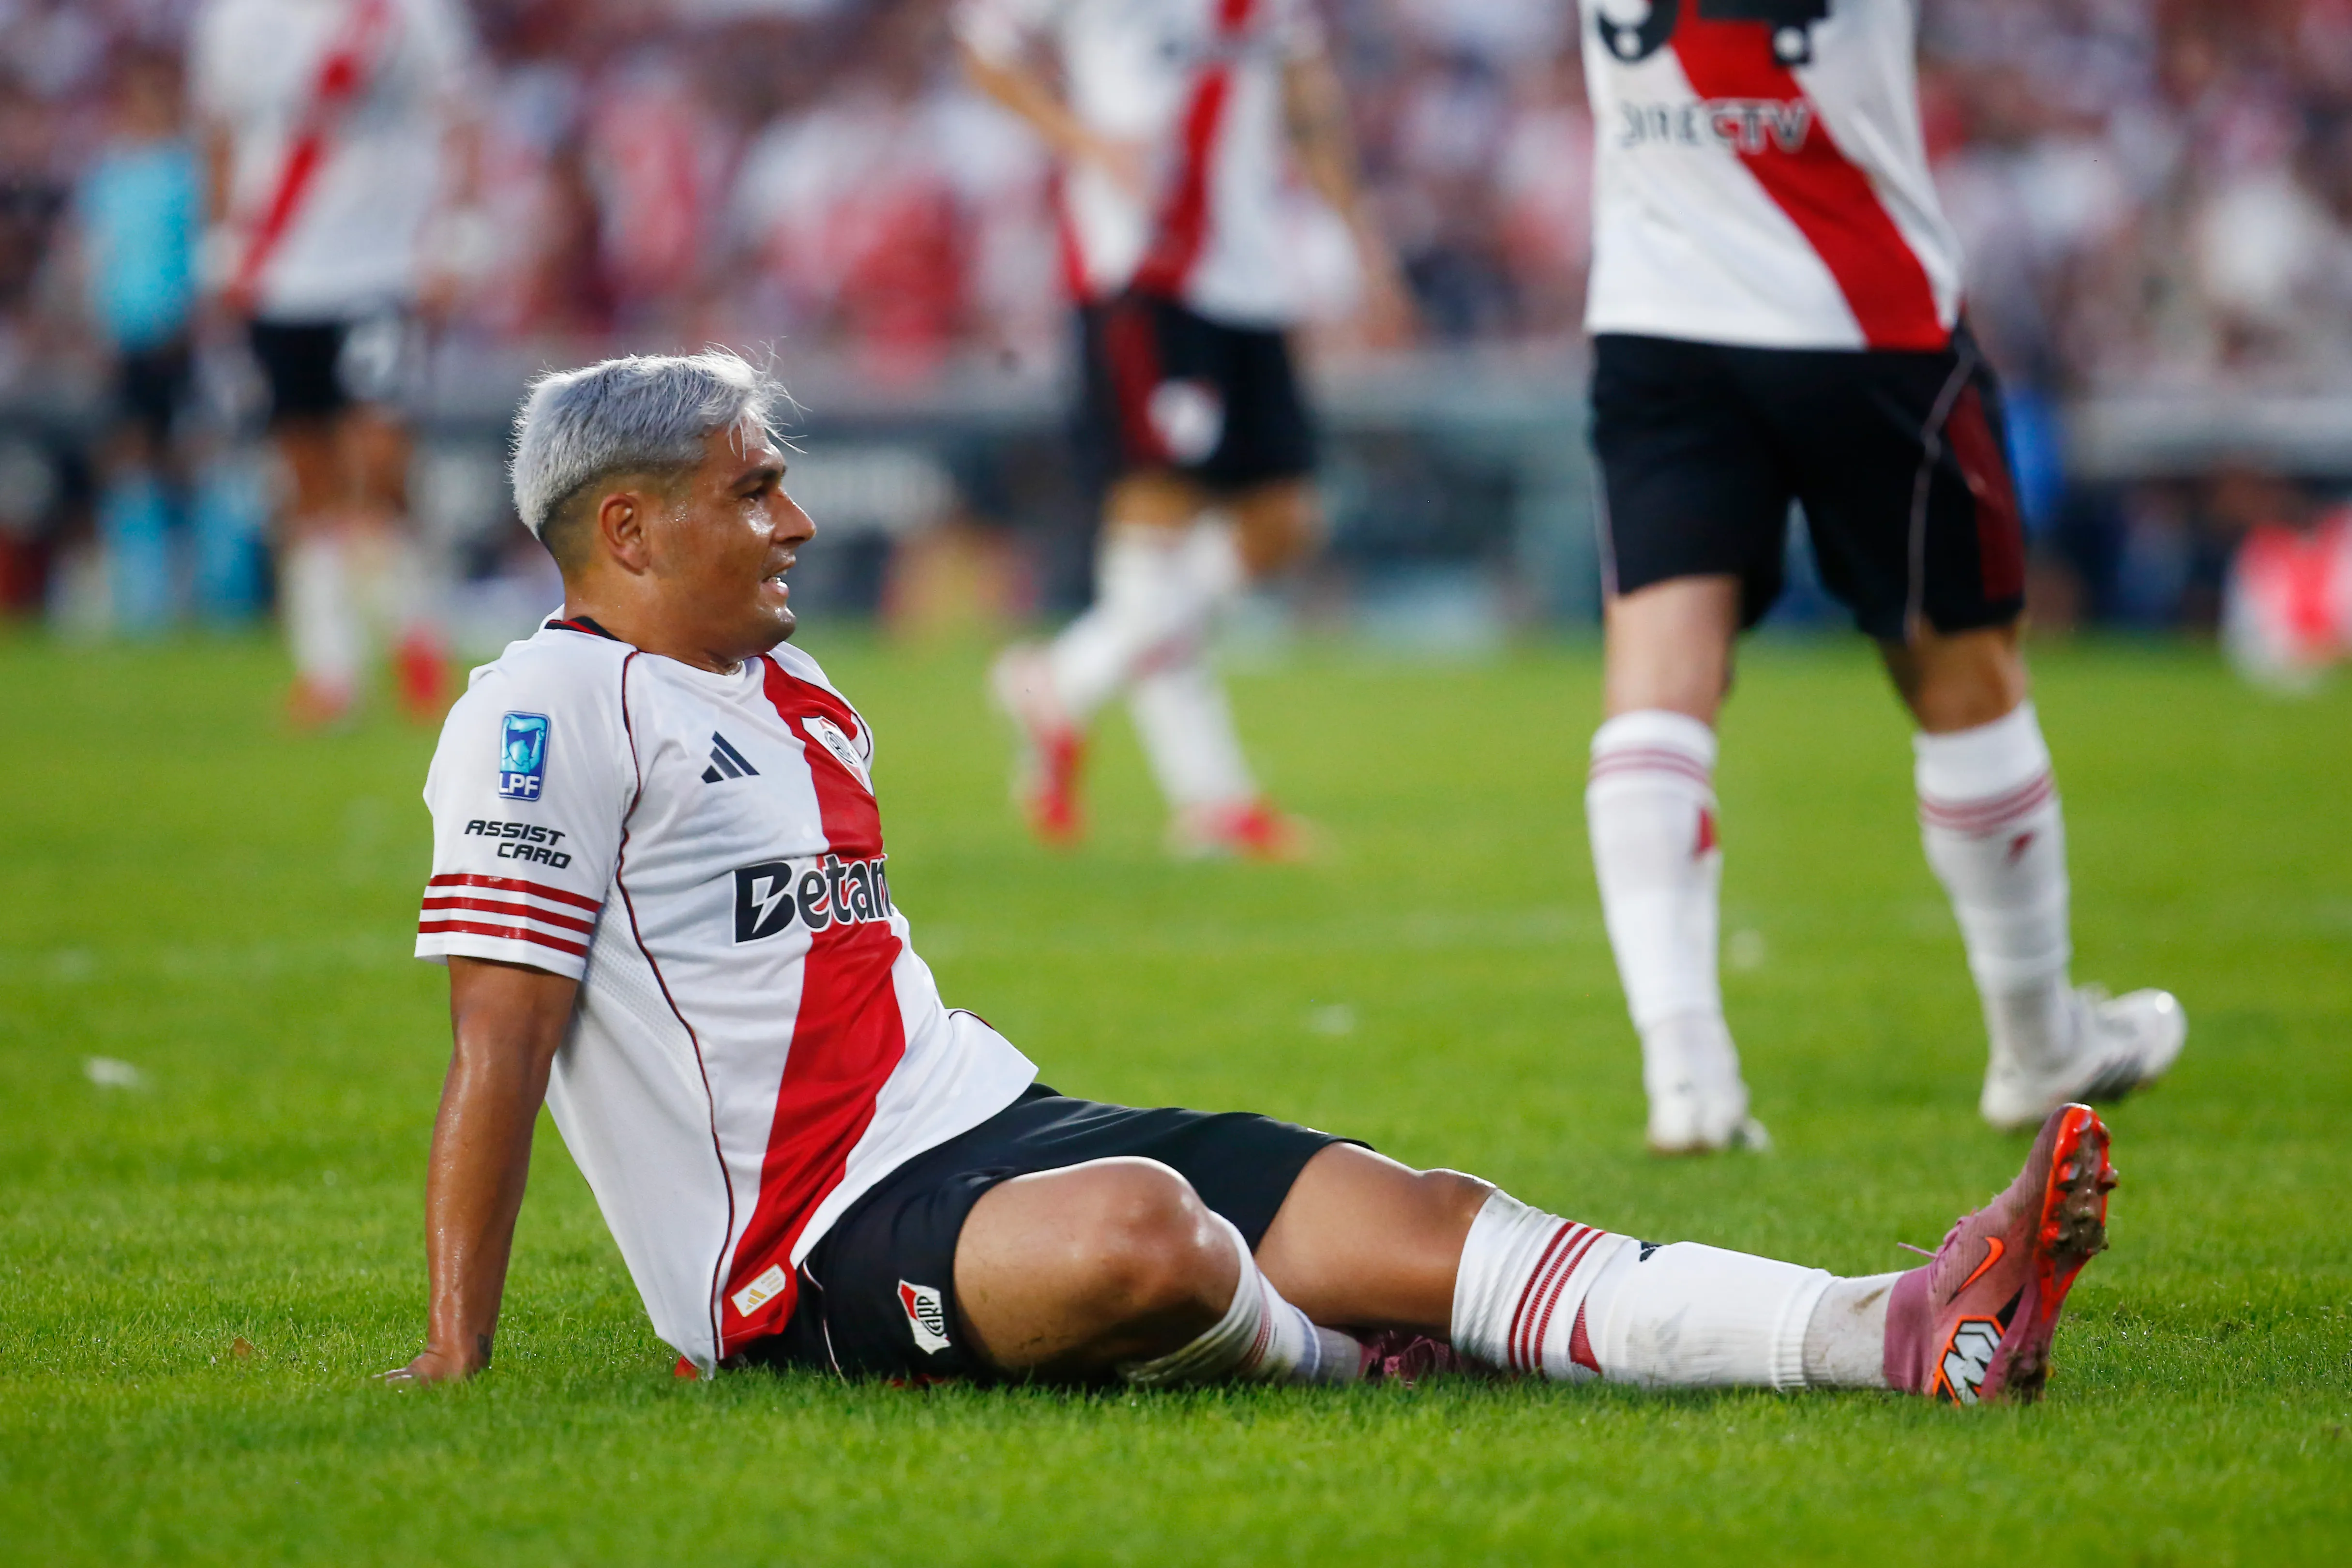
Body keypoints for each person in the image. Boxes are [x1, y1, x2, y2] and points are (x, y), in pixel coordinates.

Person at [387, 351, 2118, 1411]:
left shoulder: (798, 690)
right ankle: (1328, 1356)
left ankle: (1884, 1327)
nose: (797, 523)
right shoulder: (541, 712)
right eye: (751, 491)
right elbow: (500, 1045)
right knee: (1145, 1235)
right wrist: (460, 1351)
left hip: (985, 1118)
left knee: (1429, 1213)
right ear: (625, 531)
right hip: (799, 1250)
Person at [1571, 0, 2185, 1151]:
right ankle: (2035, 1040)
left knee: (1657, 666)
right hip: (1856, 302)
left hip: (1657, 312)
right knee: (1965, 675)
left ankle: (1687, 1070)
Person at [957, 0, 1409, 858]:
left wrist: (1362, 241)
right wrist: (1086, 142)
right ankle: (1213, 800)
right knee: (1157, 511)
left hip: (1250, 275)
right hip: (1141, 265)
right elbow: (985, 54)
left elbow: (1307, 96)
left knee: (1284, 518)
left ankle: (1063, 678)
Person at [189, 0, 486, 724]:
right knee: (305, 473)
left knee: (382, 462)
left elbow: (461, 120)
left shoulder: (411, 15)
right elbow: (221, 133)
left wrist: (457, 235)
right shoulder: (237, 19)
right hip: (279, 273)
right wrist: (222, 241)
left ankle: (417, 637)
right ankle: (330, 670)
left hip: (379, 269)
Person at [73, 45, 204, 634]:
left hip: (176, 336)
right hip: (126, 333)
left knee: (182, 462)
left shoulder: (186, 170)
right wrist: (93, 323)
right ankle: (140, 598)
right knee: (129, 458)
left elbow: (203, 250)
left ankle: (196, 593)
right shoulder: (110, 174)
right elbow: (97, 256)